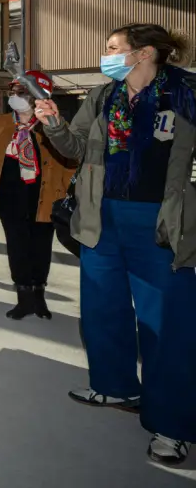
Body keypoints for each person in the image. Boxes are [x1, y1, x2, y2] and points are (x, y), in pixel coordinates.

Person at [35, 23, 196, 465]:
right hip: (101, 217)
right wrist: (51, 122)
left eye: (112, 49)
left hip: (160, 224)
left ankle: (171, 424)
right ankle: (115, 386)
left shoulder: (185, 93)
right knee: (103, 309)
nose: (105, 55)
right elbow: (75, 149)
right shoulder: (106, 96)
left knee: (167, 324)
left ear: (143, 53)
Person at [0, 70, 75, 320]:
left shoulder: (56, 126)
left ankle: (39, 297)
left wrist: (71, 195)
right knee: (17, 246)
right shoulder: (0, 124)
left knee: (40, 247)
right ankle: (24, 298)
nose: (15, 96)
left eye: (22, 92)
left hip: (44, 198)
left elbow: (71, 162)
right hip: (9, 197)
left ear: (39, 96)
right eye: (13, 92)